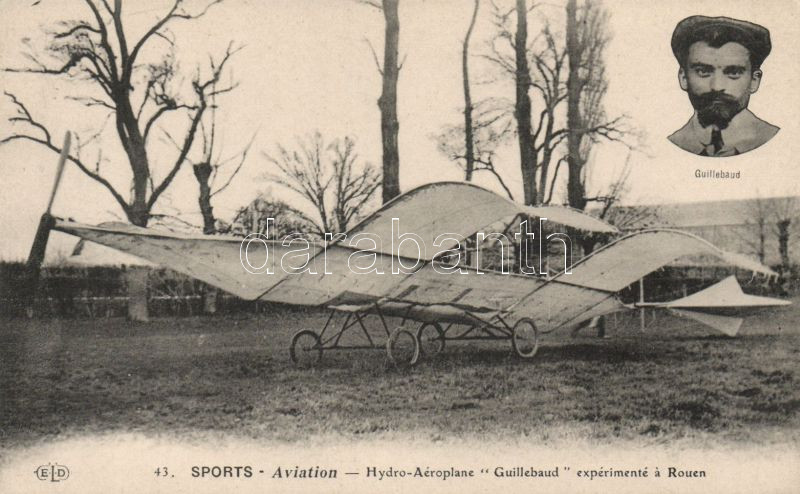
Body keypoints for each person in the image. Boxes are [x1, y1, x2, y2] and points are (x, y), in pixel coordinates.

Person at [668, 15, 779, 157]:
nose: (717, 86)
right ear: (683, 78)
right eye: (703, 71)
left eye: (733, 72)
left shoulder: (777, 142)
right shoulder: (673, 145)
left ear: (754, 80)